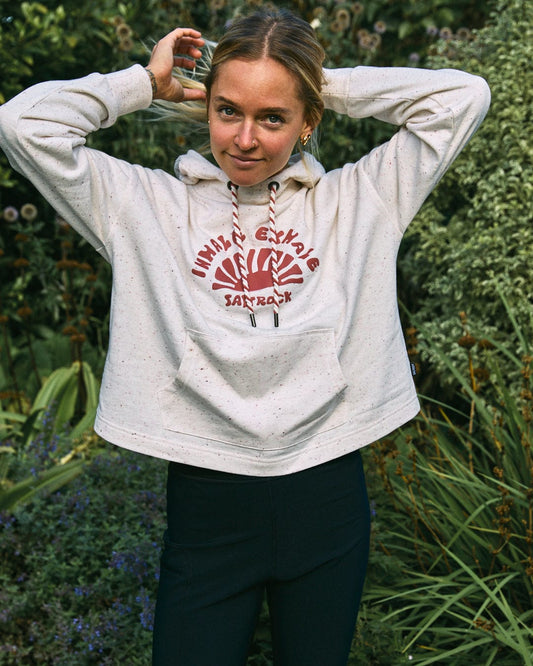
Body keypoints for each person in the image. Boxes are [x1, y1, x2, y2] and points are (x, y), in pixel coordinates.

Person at [0, 7, 490, 665]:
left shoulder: (361, 200)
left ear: (307, 121)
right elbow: (20, 124)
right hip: (209, 505)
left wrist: (316, 79)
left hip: (326, 496)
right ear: (206, 110)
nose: (245, 138)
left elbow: (463, 97)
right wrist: (143, 84)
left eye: (273, 116)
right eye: (228, 110)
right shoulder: (144, 207)